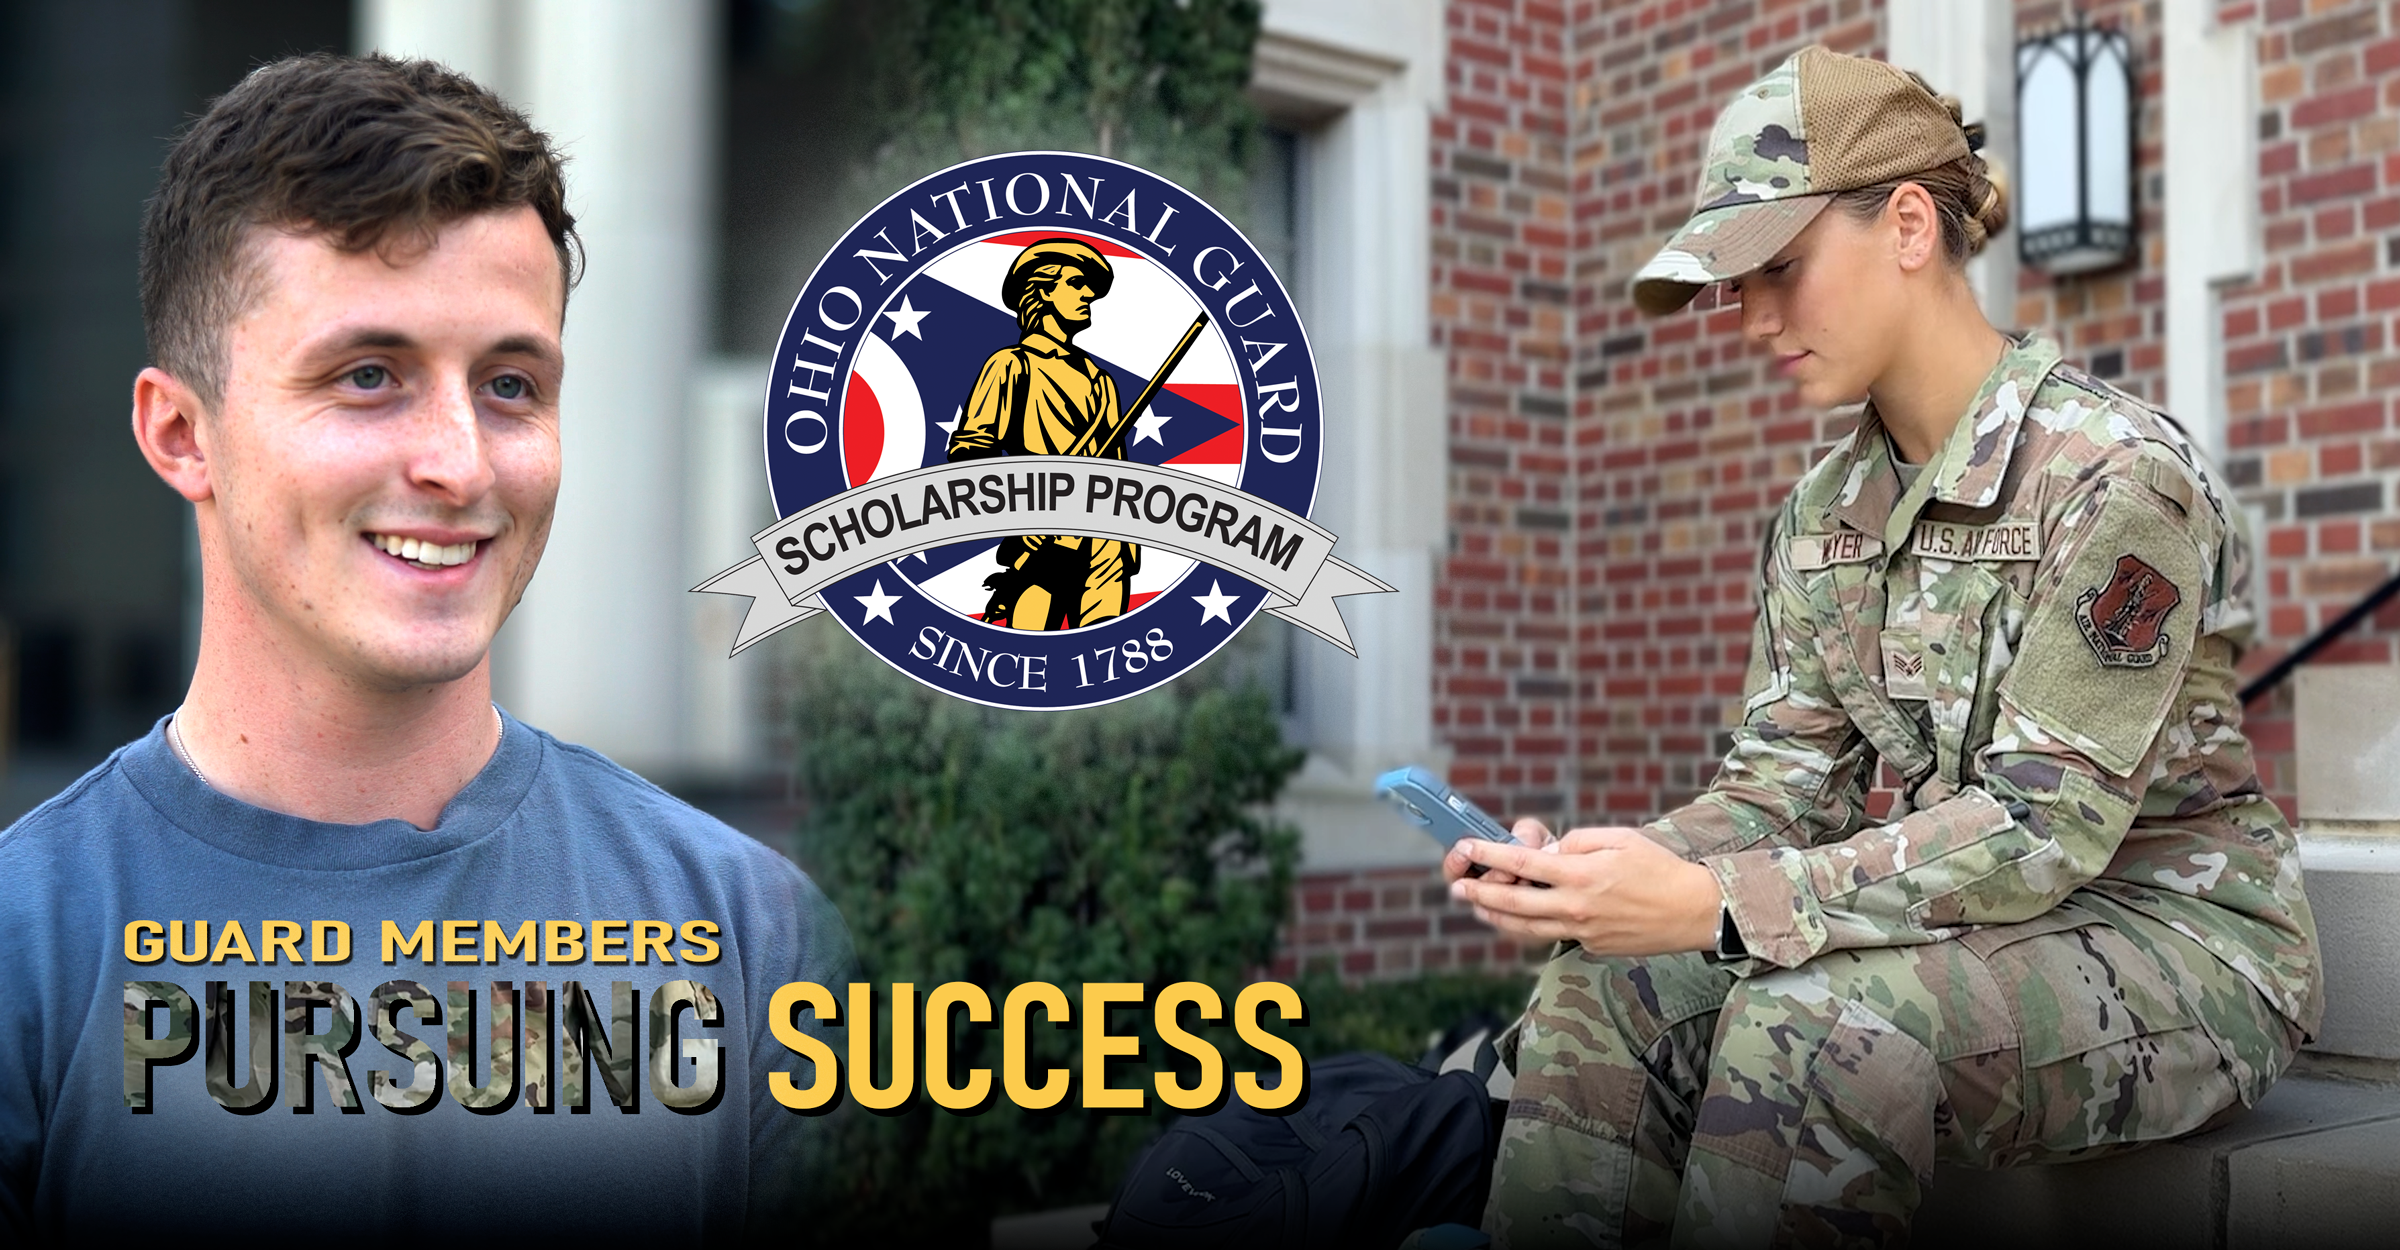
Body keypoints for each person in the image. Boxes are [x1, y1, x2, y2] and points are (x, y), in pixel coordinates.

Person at [1442, 45, 2320, 1248]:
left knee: (1814, 1025)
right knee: (1607, 984)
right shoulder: (1820, 516)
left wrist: (1717, 904)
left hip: (2179, 943)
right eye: (1731, 285)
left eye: (1777, 268)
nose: (1747, 319)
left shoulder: (2116, 478)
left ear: (1909, 224)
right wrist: (1611, 874)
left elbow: (2036, 825)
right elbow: (1781, 788)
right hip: (1976, 925)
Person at [0, 54, 852, 1240]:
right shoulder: (25, 956)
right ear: (182, 434)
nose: (459, 461)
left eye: (510, 383)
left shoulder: (757, 943)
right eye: (368, 375)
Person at [948, 237, 1140, 629]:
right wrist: (1022, 519)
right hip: (1044, 545)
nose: (1088, 294)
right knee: (1030, 660)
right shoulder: (1010, 365)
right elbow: (971, 457)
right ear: (1043, 290)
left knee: (1099, 664)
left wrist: (1126, 546)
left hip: (1107, 546)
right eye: (1075, 283)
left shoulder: (1101, 380)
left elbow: (1119, 470)